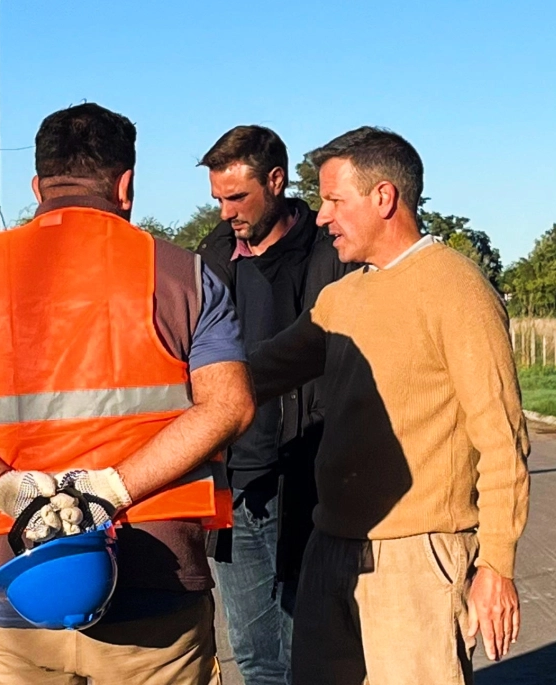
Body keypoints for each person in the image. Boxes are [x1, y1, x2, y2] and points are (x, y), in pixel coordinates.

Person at [0, 102, 256, 685]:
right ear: (125, 184)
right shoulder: (185, 276)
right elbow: (229, 404)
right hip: (154, 584)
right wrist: (111, 488)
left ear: (37, 184)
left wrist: (7, 487)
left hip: (5, 584)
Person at [249, 126, 530, 685]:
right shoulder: (342, 296)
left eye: (334, 200)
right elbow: (256, 373)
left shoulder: (457, 290)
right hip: (330, 548)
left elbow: (502, 440)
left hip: (417, 560)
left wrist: (496, 564)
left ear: (384, 198)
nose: (322, 216)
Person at [194, 125, 359, 685]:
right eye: (217, 199)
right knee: (258, 657)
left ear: (276, 181)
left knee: (319, 655)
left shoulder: (332, 250)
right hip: (236, 486)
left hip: (312, 485)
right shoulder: (213, 256)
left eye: (236, 198)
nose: (225, 213)